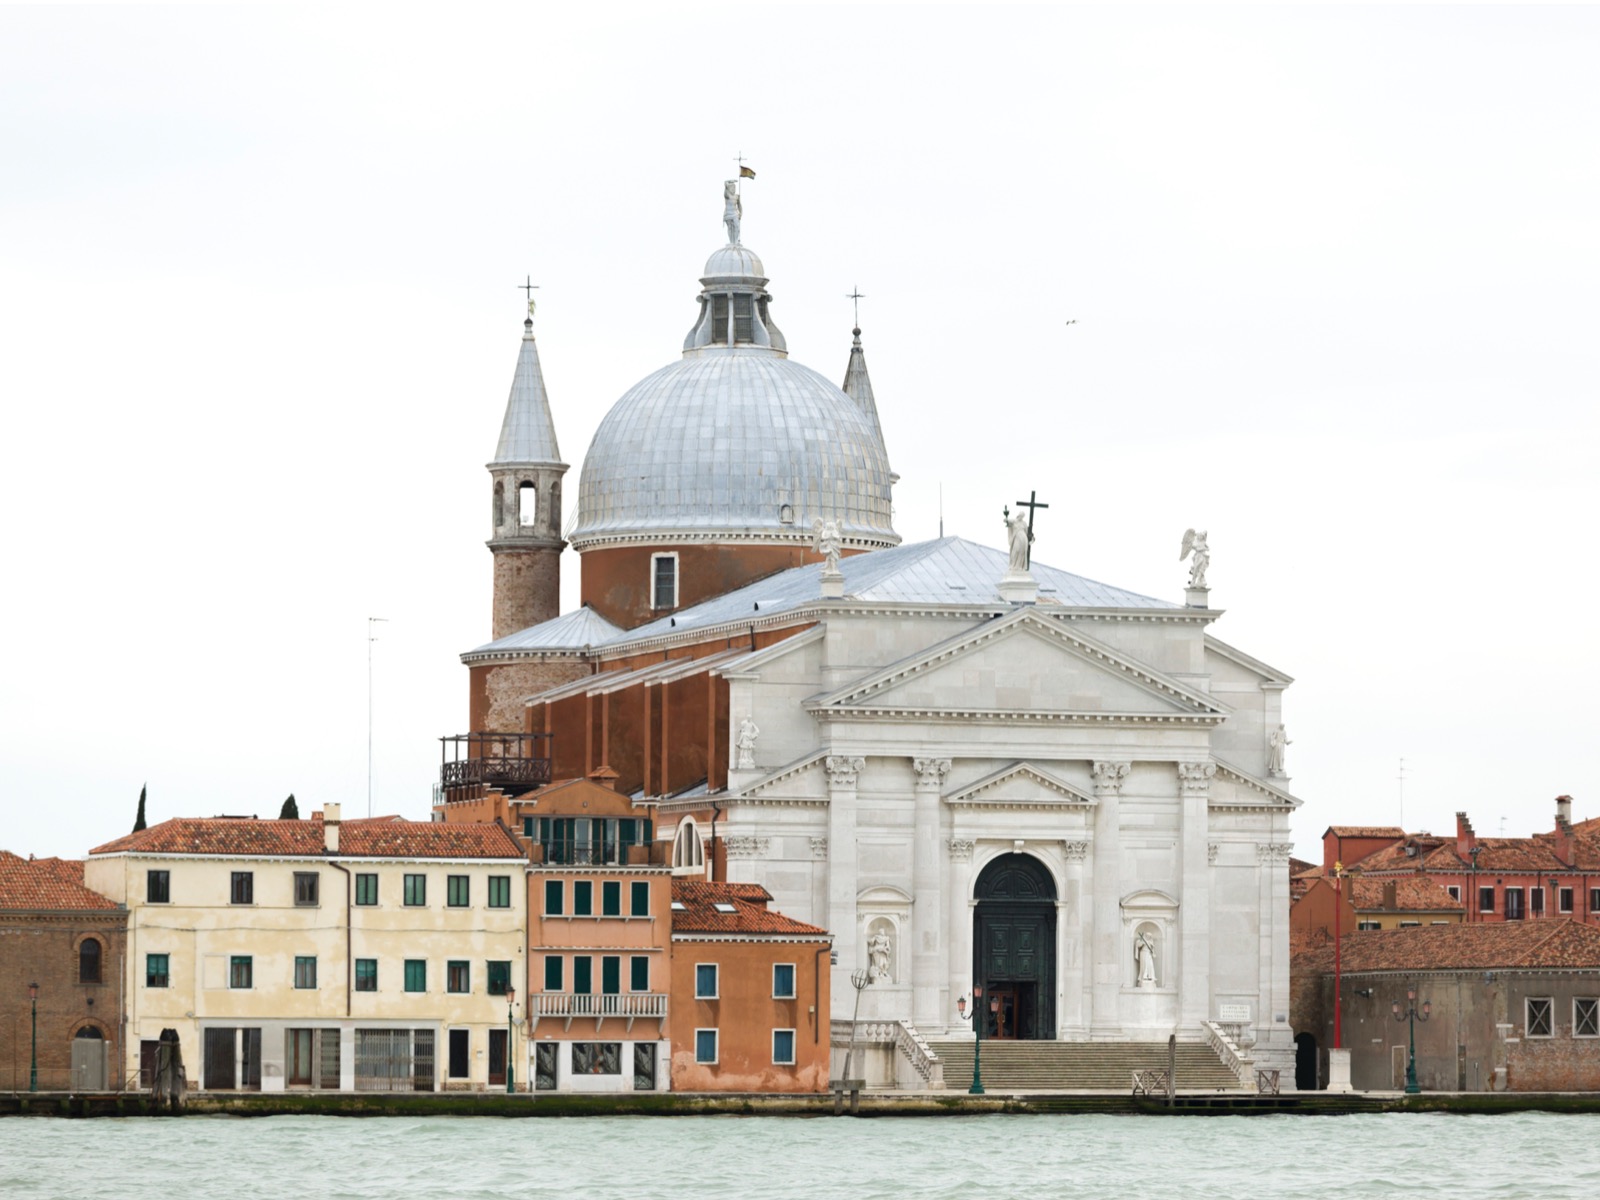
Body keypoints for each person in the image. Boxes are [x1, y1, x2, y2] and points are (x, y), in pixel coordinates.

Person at [1006, 509, 1031, 573]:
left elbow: (1026, 532)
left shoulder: (1024, 523)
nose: (1021, 517)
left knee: (1022, 552)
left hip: (1023, 538)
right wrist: (1006, 518)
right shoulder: (1014, 521)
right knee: (1016, 550)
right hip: (1017, 538)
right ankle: (1013, 565)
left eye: (1022, 516)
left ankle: (1019, 566)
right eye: (1020, 515)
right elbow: (1007, 521)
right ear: (1018, 515)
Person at [723, 179, 742, 244]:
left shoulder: (737, 196)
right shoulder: (727, 195)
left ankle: (736, 241)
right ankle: (731, 242)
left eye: (734, 187)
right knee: (730, 228)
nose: (734, 189)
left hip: (735, 213)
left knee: (737, 227)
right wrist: (731, 181)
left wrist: (740, 213)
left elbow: (739, 205)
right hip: (728, 213)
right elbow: (725, 183)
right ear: (729, 188)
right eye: (732, 187)